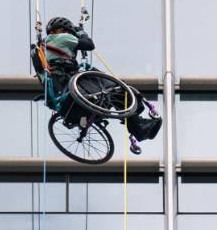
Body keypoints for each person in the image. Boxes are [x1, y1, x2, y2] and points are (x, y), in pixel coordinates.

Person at [34, 16, 162, 153]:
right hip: (73, 83)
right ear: (62, 30)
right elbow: (89, 44)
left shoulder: (44, 48)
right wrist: (80, 32)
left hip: (65, 96)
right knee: (118, 87)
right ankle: (138, 126)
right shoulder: (61, 38)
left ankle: (136, 124)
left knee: (112, 92)